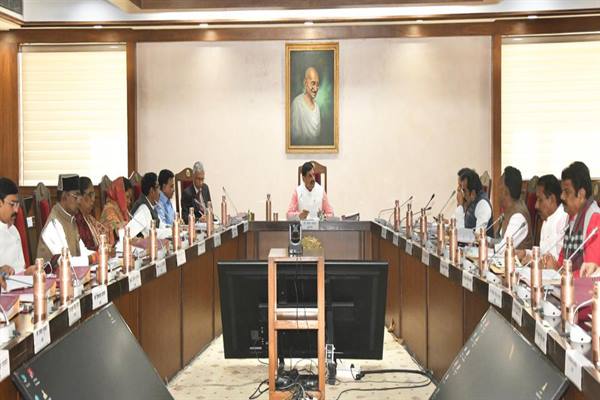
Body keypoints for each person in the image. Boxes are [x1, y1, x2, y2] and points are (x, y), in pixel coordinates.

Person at [37, 174, 96, 270]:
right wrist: (92, 258)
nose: (79, 201)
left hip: (72, 275)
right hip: (52, 277)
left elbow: (82, 251)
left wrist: (99, 253)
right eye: (76, 196)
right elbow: (64, 261)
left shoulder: (71, 219)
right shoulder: (54, 223)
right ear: (64, 196)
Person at [557, 162, 600, 276]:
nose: (561, 196)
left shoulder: (595, 218)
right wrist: (553, 266)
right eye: (562, 191)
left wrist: (564, 275)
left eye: (567, 192)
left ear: (581, 194)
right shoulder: (572, 216)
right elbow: (563, 261)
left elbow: (589, 273)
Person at [517, 175, 568, 268]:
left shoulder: (564, 220)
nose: (536, 205)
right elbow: (543, 252)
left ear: (552, 199)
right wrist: (525, 253)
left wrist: (535, 260)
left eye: (540, 200)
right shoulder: (547, 219)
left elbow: (557, 263)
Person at [496, 166, 532, 251]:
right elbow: (498, 241)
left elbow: (502, 249)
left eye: (499, 187)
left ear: (505, 191)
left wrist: (483, 244)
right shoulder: (508, 210)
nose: (497, 192)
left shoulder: (518, 216)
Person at [127, 172, 169, 239]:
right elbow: (151, 233)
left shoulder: (151, 205)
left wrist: (176, 227)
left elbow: (161, 225)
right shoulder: (143, 207)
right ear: (152, 191)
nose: (160, 192)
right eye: (158, 187)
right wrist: (173, 231)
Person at [0, 178, 26, 286]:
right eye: (12, 204)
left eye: (17, 205)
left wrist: (28, 272)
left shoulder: (14, 230)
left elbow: (20, 269)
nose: (16, 210)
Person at [75, 177, 113, 250]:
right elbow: (86, 249)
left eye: (93, 194)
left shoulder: (89, 218)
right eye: (90, 194)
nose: (93, 199)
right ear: (79, 197)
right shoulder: (77, 220)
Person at [291, 67, 321, 145]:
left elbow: (318, 136)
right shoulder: (297, 103)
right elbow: (295, 137)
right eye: (313, 83)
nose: (315, 88)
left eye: (317, 84)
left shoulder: (317, 107)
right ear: (305, 83)